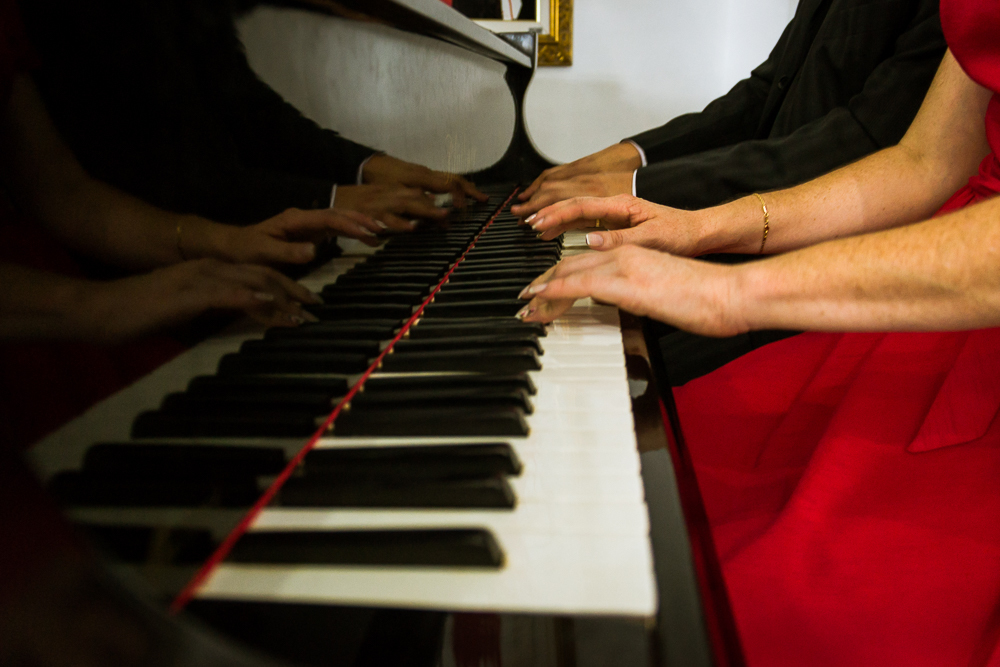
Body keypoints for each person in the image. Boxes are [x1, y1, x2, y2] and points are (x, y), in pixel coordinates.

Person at [515, 0, 1000, 663]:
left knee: (786, 608)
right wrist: (702, 225)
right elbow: (923, 162)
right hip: (940, 304)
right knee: (631, 486)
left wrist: (733, 292)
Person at [510, 0, 946, 383]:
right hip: (758, 241)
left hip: (844, 272)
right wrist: (629, 155)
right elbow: (765, 91)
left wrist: (649, 194)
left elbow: (868, 139)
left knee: (645, 382)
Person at [19, 0, 485, 230]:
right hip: (140, 249)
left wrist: (373, 167)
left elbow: (249, 113)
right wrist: (330, 198)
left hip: (219, 227)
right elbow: (158, 175)